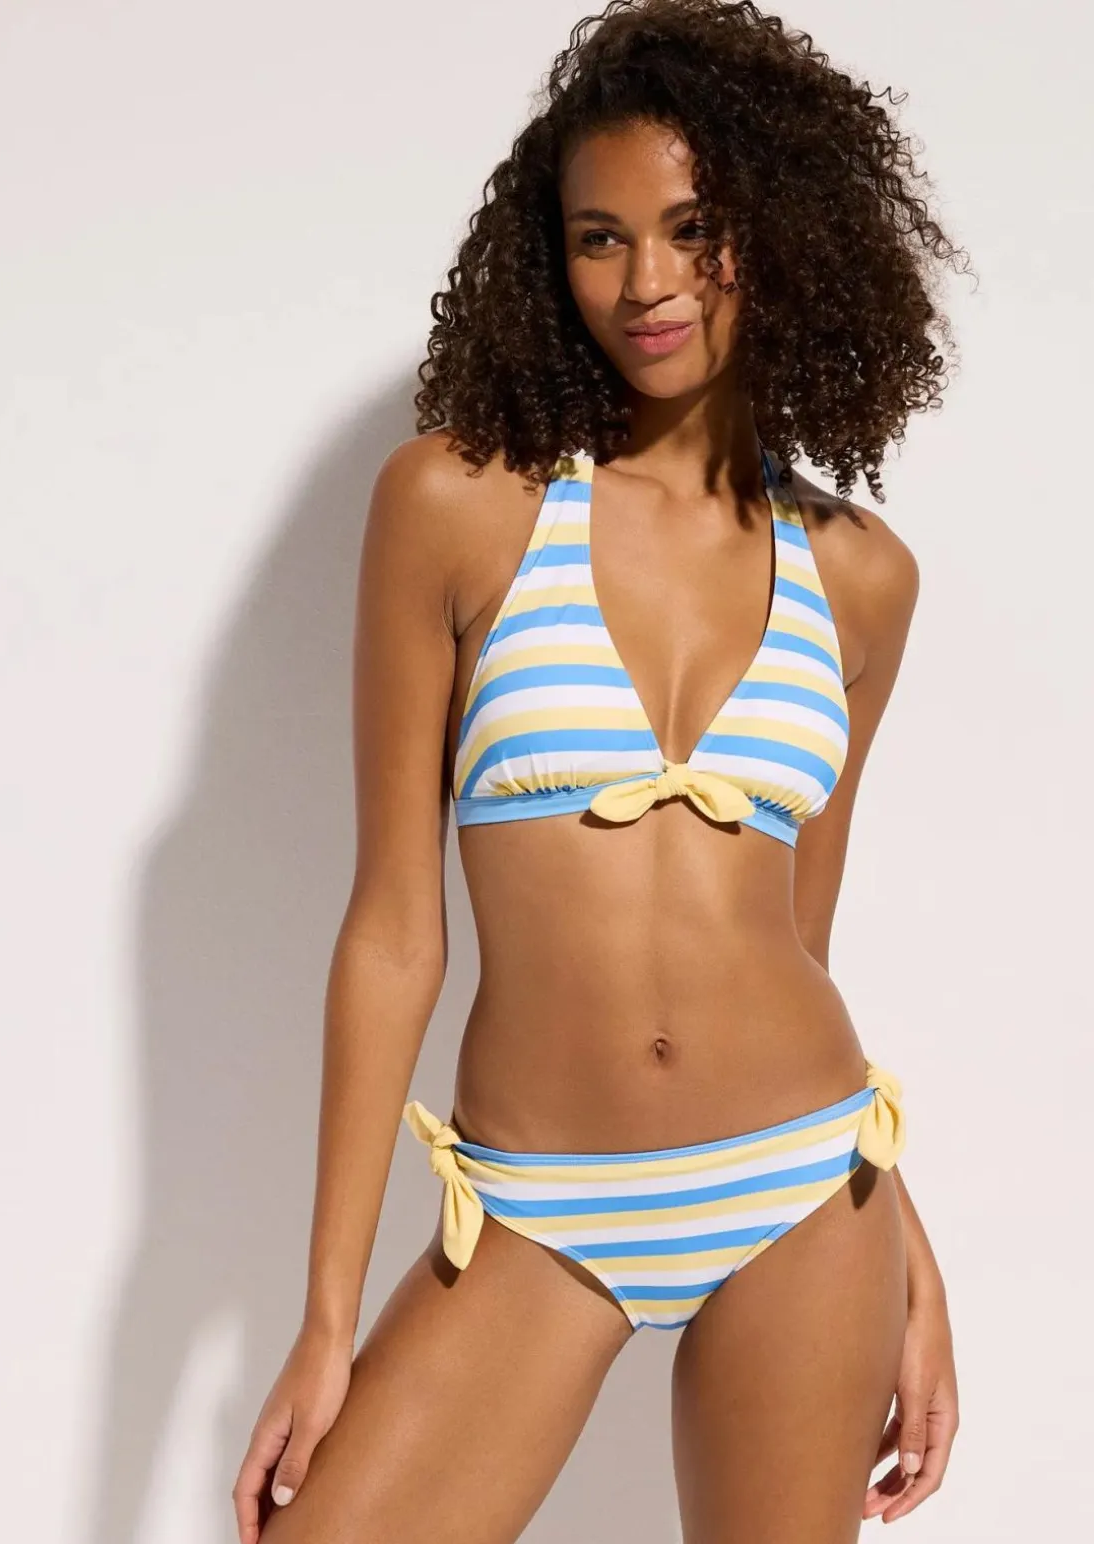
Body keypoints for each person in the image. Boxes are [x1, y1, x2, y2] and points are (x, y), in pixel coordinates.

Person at [233, 3, 966, 1539]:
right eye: (598, 238)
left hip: (804, 1193)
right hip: (536, 1209)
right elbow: (393, 930)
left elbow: (799, 943)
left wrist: (910, 1254)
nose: (645, 284)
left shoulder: (861, 578)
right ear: (545, 260)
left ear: (783, 231)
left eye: (692, 229)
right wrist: (322, 1318)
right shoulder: (456, 507)